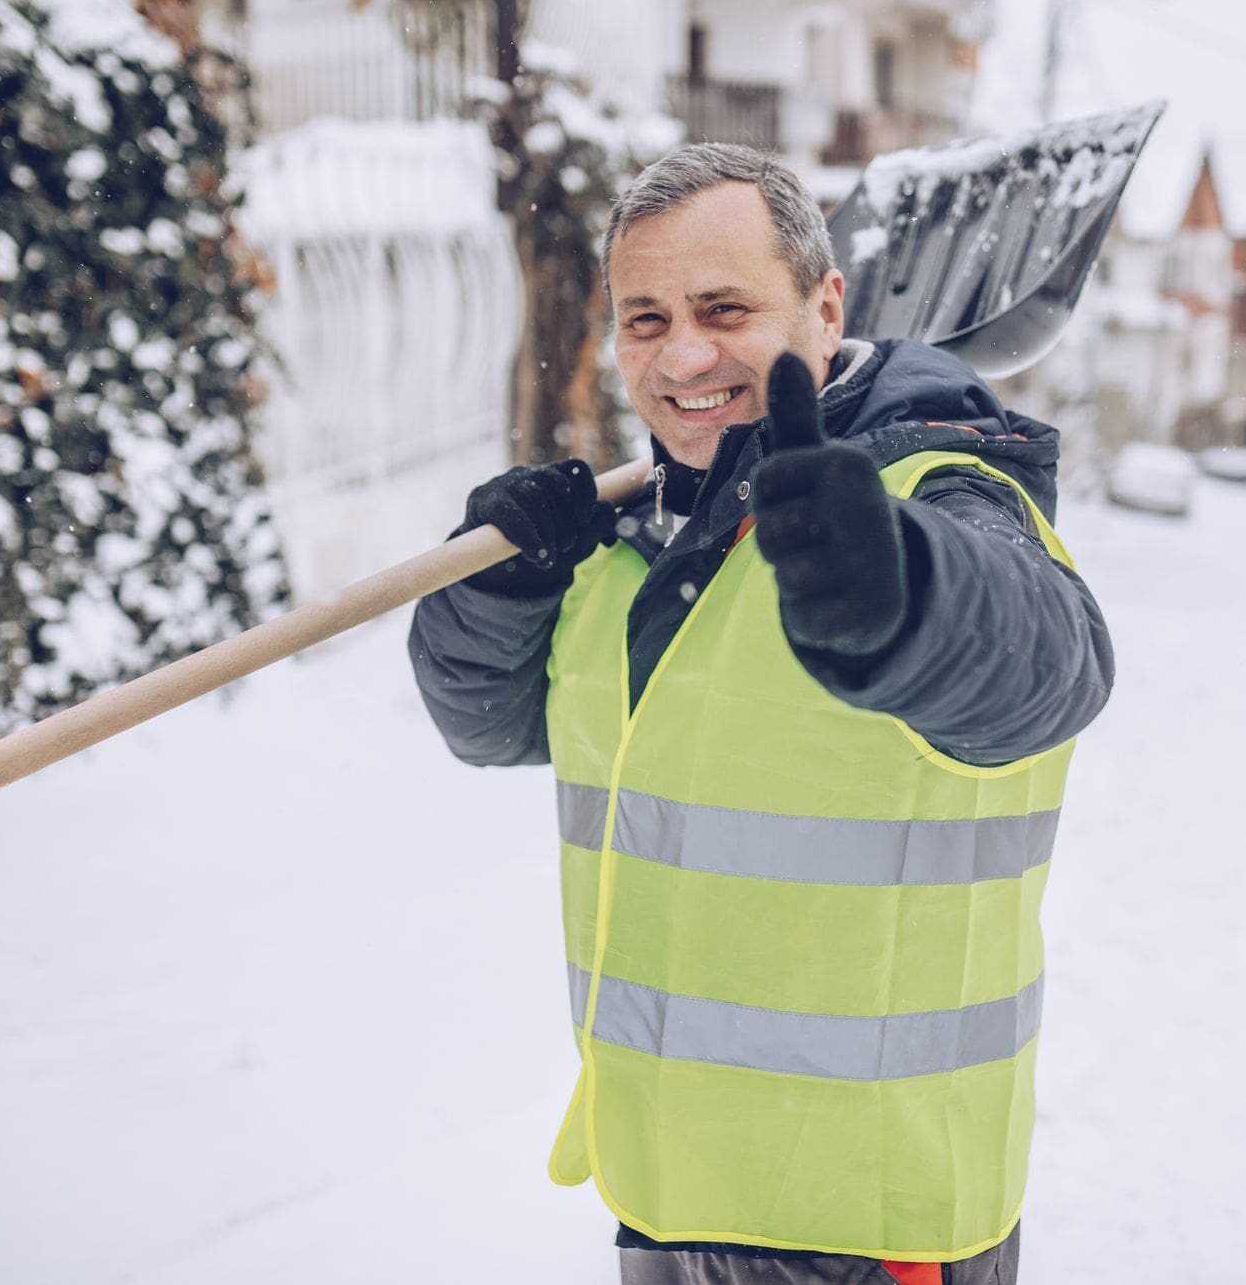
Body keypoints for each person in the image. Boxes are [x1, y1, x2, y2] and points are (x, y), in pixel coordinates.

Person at [408, 143, 1113, 1284]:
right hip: (665, 1190)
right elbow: (488, 725)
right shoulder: (637, 538)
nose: (682, 353)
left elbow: (1048, 665)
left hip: (869, 1225)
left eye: (724, 308)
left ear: (826, 306)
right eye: (646, 319)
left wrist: (901, 593)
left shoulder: (935, 490)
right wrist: (492, 587)